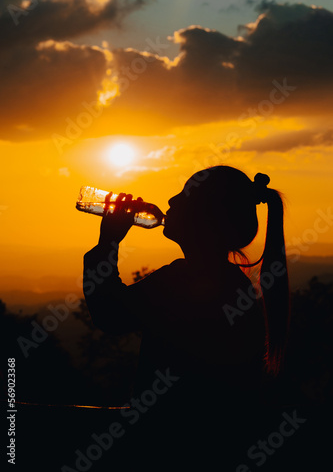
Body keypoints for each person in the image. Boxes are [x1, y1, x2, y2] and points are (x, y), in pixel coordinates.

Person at [83, 165, 290, 469]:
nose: (171, 199)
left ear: (206, 218)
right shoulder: (234, 285)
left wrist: (109, 242)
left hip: (173, 451)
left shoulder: (185, 280)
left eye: (184, 195)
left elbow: (109, 315)